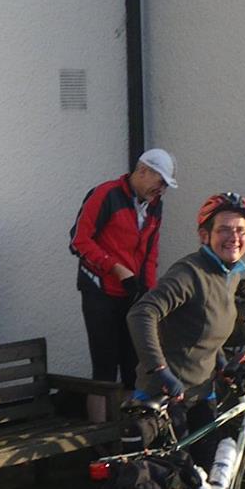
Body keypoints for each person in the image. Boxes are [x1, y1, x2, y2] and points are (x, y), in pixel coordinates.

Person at [128, 191, 245, 405]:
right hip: (167, 395)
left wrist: (222, 362)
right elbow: (141, 313)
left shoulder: (230, 275)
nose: (234, 237)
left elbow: (203, 328)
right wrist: (160, 370)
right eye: (224, 229)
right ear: (205, 235)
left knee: (214, 438)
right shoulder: (189, 273)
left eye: (241, 230)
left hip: (202, 391)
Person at [71, 149, 176, 386]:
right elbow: (79, 240)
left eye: (165, 185)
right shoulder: (106, 194)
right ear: (142, 171)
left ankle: (131, 422)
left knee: (134, 364)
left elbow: (150, 253)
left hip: (132, 292)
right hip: (99, 290)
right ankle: (99, 423)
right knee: (104, 366)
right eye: (159, 182)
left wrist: (150, 294)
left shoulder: (155, 204)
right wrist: (116, 268)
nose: (161, 189)